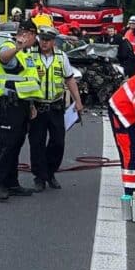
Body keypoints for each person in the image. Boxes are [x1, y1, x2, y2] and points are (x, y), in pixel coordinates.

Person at [0, 20, 44, 202]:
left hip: (22, 104)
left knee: (16, 143)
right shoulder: (9, 46)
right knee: (7, 143)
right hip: (8, 103)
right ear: (27, 34)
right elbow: (3, 58)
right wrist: (17, 47)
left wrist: (32, 104)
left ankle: (11, 182)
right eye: (34, 36)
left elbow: (28, 80)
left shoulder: (28, 54)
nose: (35, 40)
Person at [28, 25, 84, 191]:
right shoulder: (31, 55)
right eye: (42, 39)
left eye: (48, 40)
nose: (44, 43)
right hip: (37, 107)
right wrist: (29, 104)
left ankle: (50, 172)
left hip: (56, 107)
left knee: (58, 142)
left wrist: (78, 101)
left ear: (54, 41)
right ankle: (40, 177)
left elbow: (69, 79)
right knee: (36, 143)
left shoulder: (61, 57)